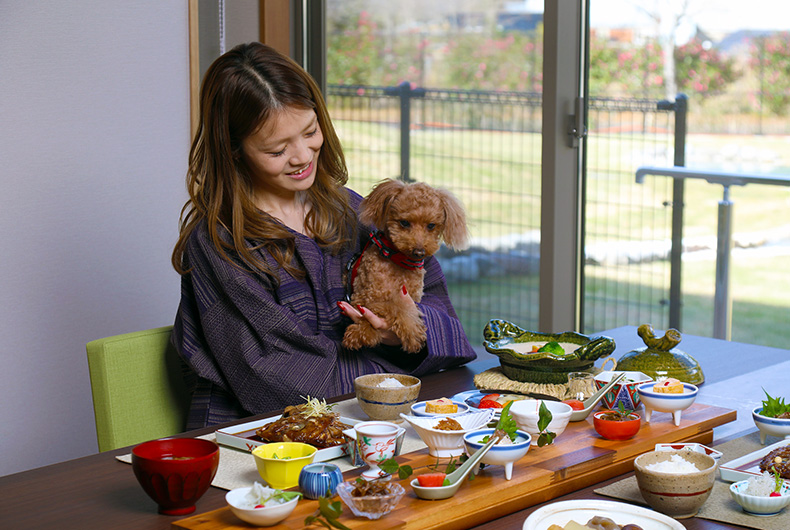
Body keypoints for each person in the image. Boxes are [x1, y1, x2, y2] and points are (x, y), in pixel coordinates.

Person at [171, 42, 476, 429]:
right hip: (262, 435)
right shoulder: (222, 245)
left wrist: (400, 337)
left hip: (374, 416)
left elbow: (445, 326)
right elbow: (278, 378)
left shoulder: (356, 211)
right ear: (234, 150)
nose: (302, 156)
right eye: (278, 149)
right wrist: (390, 375)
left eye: (310, 131)